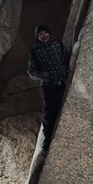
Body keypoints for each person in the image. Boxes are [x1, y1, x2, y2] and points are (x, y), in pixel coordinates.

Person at [27, 23, 69, 151]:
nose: (43, 35)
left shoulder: (57, 44)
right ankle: (47, 140)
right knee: (49, 113)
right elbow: (31, 72)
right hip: (49, 86)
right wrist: (42, 75)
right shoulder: (35, 52)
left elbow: (66, 57)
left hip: (63, 81)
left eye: (45, 32)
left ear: (49, 33)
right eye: (40, 34)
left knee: (64, 108)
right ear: (37, 37)